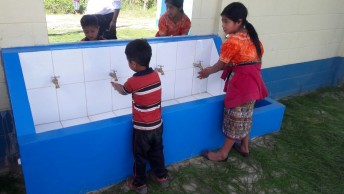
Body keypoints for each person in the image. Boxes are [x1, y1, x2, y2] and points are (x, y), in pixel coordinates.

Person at [198, 2, 268, 161]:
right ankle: (244, 147)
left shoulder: (232, 41)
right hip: (254, 81)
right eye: (222, 21)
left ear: (239, 22)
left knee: (236, 117)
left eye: (226, 21)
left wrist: (207, 72)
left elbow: (220, 64)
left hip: (242, 83)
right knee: (246, 114)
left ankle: (223, 154)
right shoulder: (252, 36)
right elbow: (250, 60)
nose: (223, 25)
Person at [111, 39, 168, 194]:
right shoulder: (156, 75)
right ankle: (161, 177)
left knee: (140, 157)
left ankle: (140, 184)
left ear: (133, 64)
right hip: (157, 125)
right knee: (157, 152)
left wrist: (116, 86)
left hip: (142, 129)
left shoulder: (133, 81)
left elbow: (124, 91)